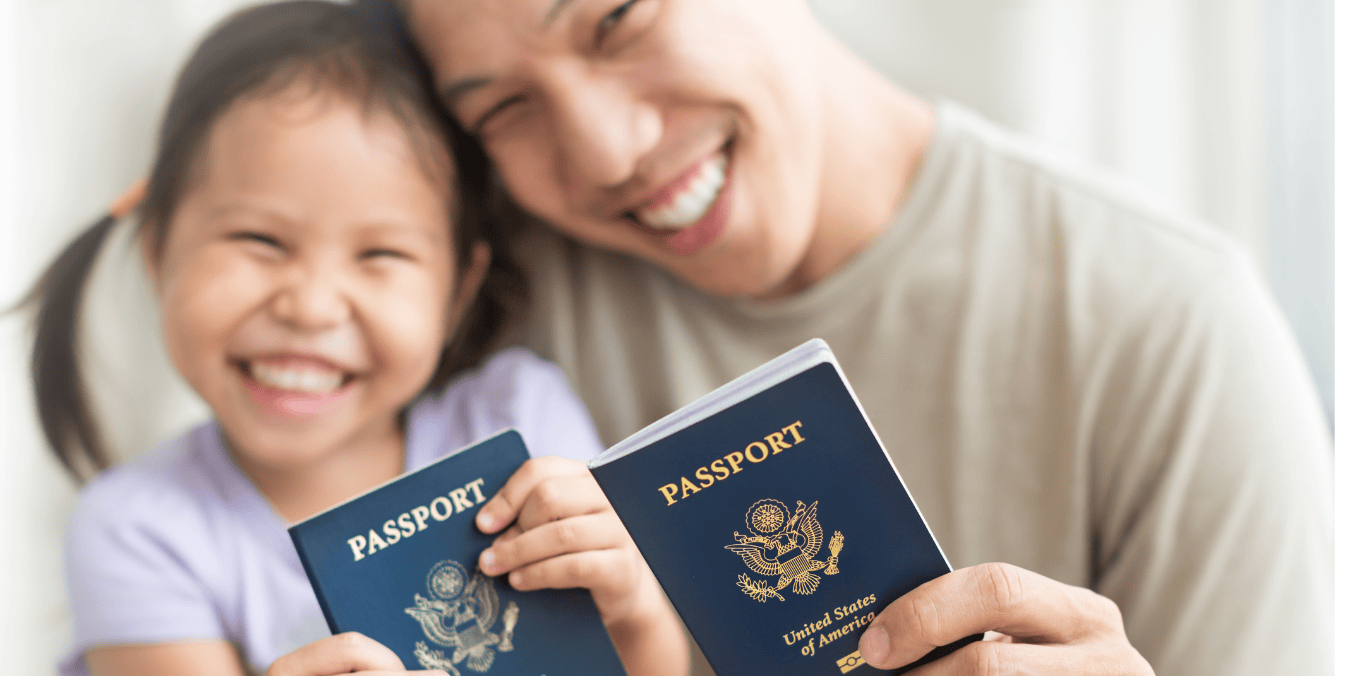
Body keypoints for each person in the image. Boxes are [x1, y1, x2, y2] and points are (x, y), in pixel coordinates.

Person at [399, 0, 1333, 674]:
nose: (605, 151)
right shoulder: (470, 296)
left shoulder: (1170, 324)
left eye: (618, 18)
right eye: (501, 111)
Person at [24, 3, 687, 675]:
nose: (310, 306)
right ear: (157, 250)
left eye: (380, 256)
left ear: (458, 290)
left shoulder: (516, 421)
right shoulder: (141, 530)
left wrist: (630, 601)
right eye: (259, 241)